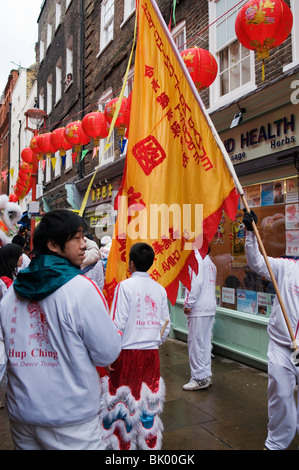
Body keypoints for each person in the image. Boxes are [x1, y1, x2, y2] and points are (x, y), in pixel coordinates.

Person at [0, 209, 121, 450]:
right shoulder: (81, 289)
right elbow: (107, 353)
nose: (84, 244)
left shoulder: (11, 294)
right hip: (71, 420)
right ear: (54, 245)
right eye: (76, 238)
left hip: (22, 414)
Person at [99, 242, 171, 450]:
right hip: (151, 355)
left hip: (126, 355)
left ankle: (123, 447)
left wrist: (110, 355)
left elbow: (116, 325)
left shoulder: (125, 286)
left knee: (122, 407)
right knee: (148, 406)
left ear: (131, 263)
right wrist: (154, 341)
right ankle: (149, 446)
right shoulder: (159, 289)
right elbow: (165, 326)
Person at [243, 209, 299, 450]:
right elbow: (256, 262)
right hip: (281, 346)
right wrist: (250, 234)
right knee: (282, 396)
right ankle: (276, 443)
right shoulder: (287, 268)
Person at [182, 249, 217, 391]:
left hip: (198, 308)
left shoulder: (196, 259)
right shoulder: (211, 263)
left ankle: (199, 377)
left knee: (196, 343)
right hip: (209, 307)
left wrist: (188, 303)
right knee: (205, 343)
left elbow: (194, 284)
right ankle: (205, 374)